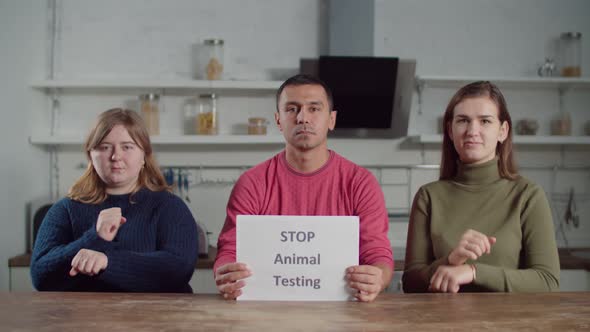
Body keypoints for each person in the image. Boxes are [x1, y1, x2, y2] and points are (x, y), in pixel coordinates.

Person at [214, 74, 394, 302]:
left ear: (331, 119)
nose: (302, 118)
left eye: (314, 109)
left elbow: (377, 253)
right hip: (266, 312)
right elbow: (230, 249)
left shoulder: (360, 183)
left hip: (345, 314)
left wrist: (379, 277)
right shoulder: (252, 183)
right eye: (292, 109)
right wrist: (225, 273)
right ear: (278, 120)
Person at [402, 81, 560, 293]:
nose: (472, 130)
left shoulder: (528, 196)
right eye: (463, 120)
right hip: (444, 324)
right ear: (450, 130)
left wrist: (474, 272)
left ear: (502, 131)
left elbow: (548, 281)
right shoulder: (428, 196)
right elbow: (410, 283)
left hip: (512, 325)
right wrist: (451, 260)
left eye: (485, 121)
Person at [31, 108, 198, 293]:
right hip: (85, 319)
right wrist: (95, 238)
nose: (116, 156)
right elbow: (41, 277)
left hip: (156, 319)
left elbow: (178, 269)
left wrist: (107, 262)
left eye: (127, 147)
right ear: (90, 156)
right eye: (104, 147)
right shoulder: (65, 209)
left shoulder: (170, 207)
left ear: (144, 156)